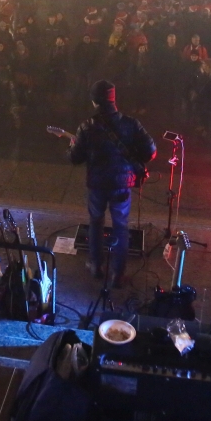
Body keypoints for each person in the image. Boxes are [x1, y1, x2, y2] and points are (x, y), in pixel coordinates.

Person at [68, 80, 156, 286]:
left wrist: (71, 146)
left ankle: (96, 266)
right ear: (113, 100)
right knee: (121, 227)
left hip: (97, 184)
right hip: (121, 184)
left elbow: (75, 158)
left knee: (96, 222)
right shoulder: (132, 124)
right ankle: (118, 273)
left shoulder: (86, 127)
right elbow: (151, 151)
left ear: (94, 102)